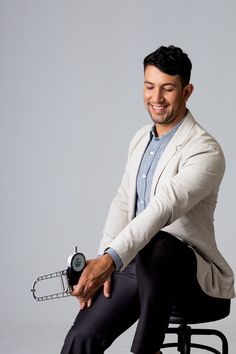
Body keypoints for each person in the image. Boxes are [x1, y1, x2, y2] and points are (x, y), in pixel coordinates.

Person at [60, 45, 235, 354]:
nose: (156, 98)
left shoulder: (206, 150)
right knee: (81, 338)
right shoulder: (141, 138)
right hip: (134, 263)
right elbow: (124, 200)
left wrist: (109, 260)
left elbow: (161, 208)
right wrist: (105, 259)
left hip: (188, 276)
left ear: (187, 91)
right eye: (149, 86)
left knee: (158, 242)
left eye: (167, 88)